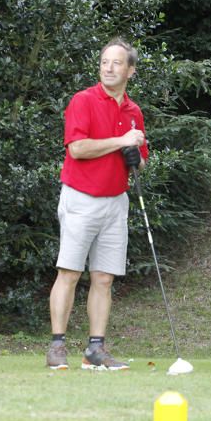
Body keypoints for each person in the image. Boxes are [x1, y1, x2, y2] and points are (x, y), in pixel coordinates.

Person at [46, 37, 149, 371]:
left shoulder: (134, 112)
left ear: (130, 71)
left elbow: (141, 161)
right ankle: (57, 346)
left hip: (115, 202)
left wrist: (135, 156)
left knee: (104, 278)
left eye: (117, 63)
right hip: (81, 198)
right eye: (105, 61)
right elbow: (77, 149)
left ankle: (95, 351)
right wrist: (121, 141)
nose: (109, 67)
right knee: (70, 273)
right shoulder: (84, 100)